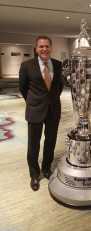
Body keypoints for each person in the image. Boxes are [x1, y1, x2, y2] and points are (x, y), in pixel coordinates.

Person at [19, 35, 63, 191]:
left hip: (53, 110)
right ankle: (34, 173)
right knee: (33, 144)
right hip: (35, 109)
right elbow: (23, 88)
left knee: (50, 142)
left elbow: (59, 87)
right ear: (36, 48)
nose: (44, 49)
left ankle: (46, 168)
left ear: (51, 48)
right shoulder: (26, 65)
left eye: (47, 46)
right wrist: (33, 101)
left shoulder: (58, 65)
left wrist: (52, 99)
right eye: (41, 46)